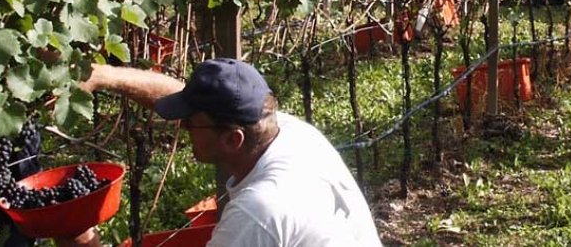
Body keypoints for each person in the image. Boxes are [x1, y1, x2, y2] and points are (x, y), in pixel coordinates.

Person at [61, 59, 383, 247]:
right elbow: (190, 100)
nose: (182, 127)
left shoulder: (257, 213)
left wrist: (83, 240)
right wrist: (105, 76)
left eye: (190, 124)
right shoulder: (289, 131)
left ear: (232, 140)